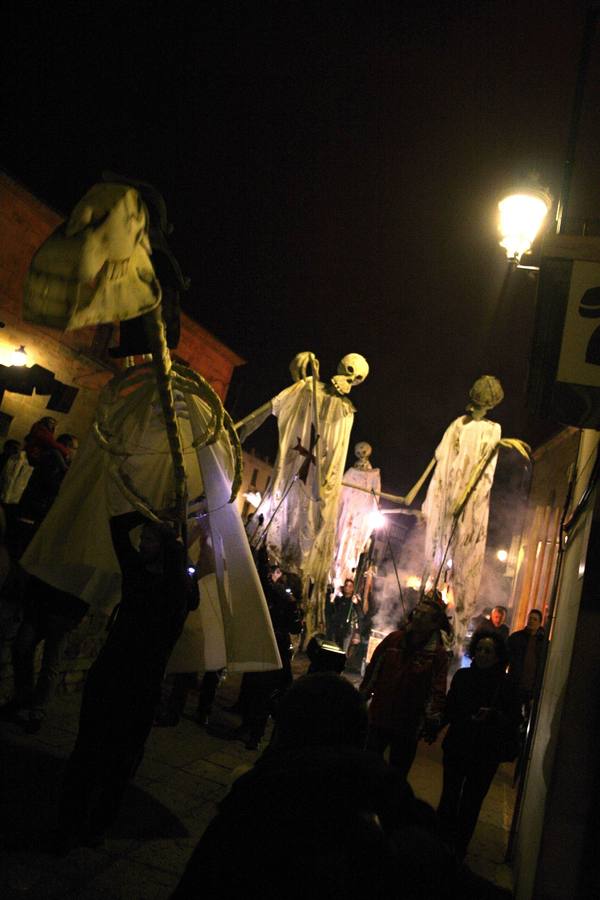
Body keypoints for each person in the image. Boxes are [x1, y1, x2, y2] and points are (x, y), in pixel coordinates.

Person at [57, 511, 196, 849]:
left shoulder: (175, 592)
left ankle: (95, 824)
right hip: (111, 674)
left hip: (139, 684)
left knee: (119, 759)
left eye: (149, 540)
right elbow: (118, 528)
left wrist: (164, 530)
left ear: (164, 549)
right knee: (88, 750)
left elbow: (179, 581)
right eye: (143, 538)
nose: (141, 543)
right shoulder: (139, 574)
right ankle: (72, 822)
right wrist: (151, 514)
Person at [437, 630, 520, 861]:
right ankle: (441, 842)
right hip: (457, 746)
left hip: (485, 753)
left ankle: (458, 848)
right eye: (480, 649)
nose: (482, 654)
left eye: (488, 651)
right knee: (449, 797)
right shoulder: (463, 676)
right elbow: (450, 708)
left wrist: (493, 716)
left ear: (497, 656)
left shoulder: (505, 685)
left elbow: (514, 719)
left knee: (471, 803)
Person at [360, 591, 449, 778]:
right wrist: (362, 697)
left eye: (424, 615)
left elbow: (437, 689)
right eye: (416, 612)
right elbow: (373, 671)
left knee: (396, 775)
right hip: (380, 716)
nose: (417, 617)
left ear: (434, 624)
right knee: (367, 767)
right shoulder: (393, 640)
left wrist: (432, 720)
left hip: (408, 724)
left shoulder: (437, 655)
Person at [232, 561, 301, 749]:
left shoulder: (284, 600)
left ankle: (253, 732)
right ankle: (252, 731)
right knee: (258, 691)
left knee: (261, 692)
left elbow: (295, 626)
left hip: (273, 648)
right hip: (269, 646)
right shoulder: (283, 599)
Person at [507, 609, 545, 712]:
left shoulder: (544, 643)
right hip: (516, 685)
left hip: (532, 688)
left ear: (539, 623)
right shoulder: (516, 638)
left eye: (534, 619)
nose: (531, 621)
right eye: (530, 618)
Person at [325, 577, 360, 650]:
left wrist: (356, 604)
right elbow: (333, 612)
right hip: (337, 629)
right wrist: (331, 602)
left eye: (350, 586)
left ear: (352, 589)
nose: (347, 588)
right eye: (346, 585)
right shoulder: (340, 600)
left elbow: (359, 615)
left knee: (344, 650)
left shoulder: (353, 601)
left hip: (347, 630)